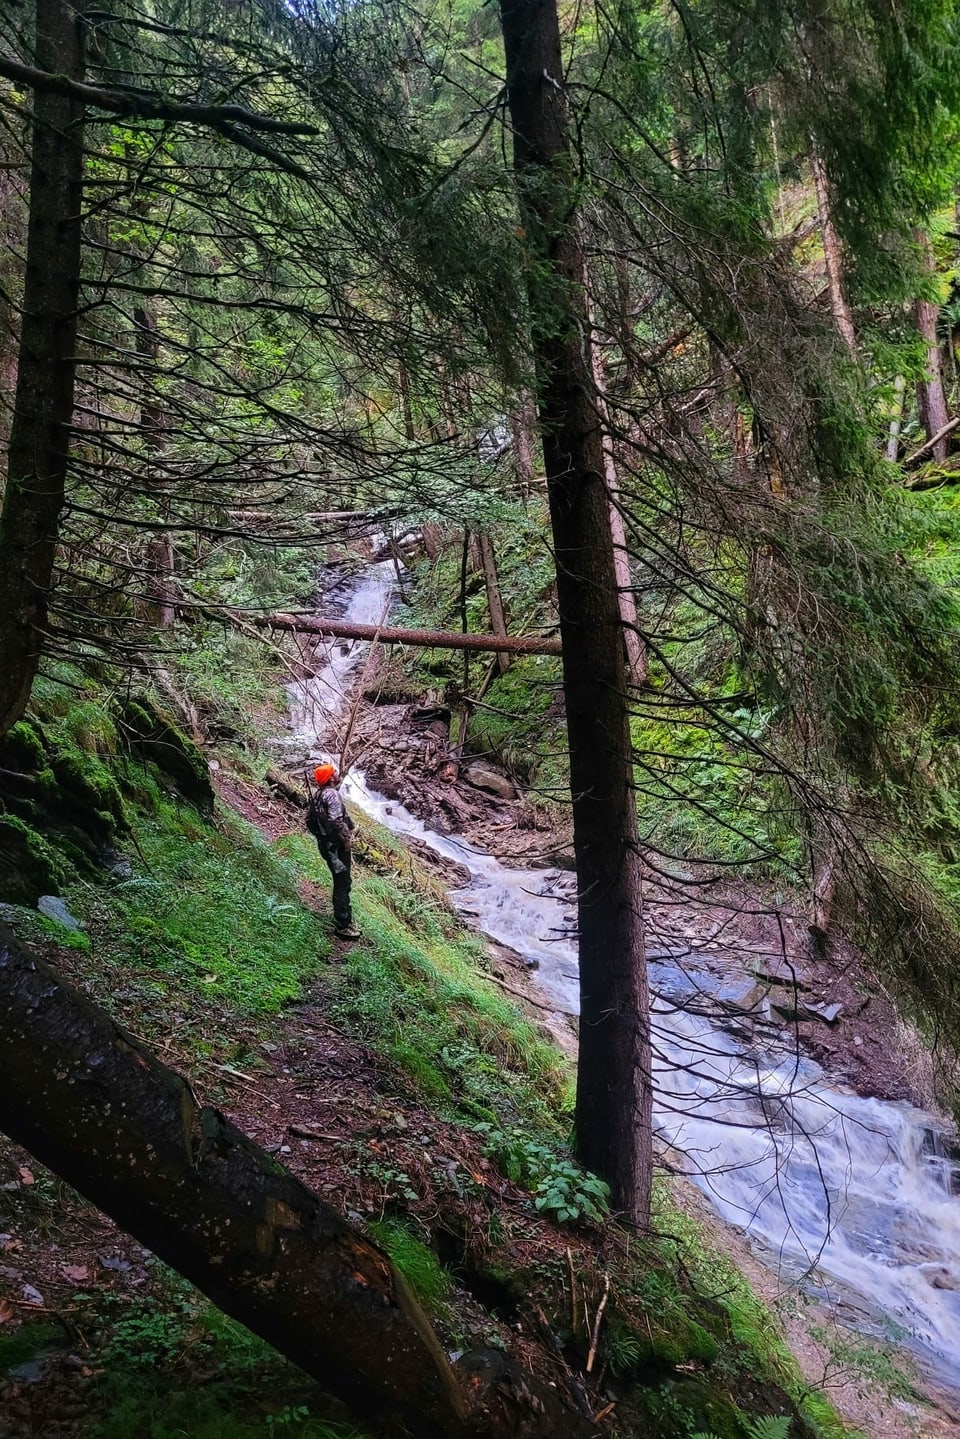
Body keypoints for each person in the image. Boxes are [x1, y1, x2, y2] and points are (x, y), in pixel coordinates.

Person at [306, 764, 360, 939]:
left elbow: (309, 821)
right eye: (335, 773)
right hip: (336, 848)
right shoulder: (332, 795)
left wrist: (322, 837)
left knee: (341, 881)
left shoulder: (318, 796)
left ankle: (343, 919)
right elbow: (336, 820)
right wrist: (346, 840)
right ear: (330, 778)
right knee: (343, 883)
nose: (337, 774)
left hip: (326, 847)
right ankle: (343, 925)